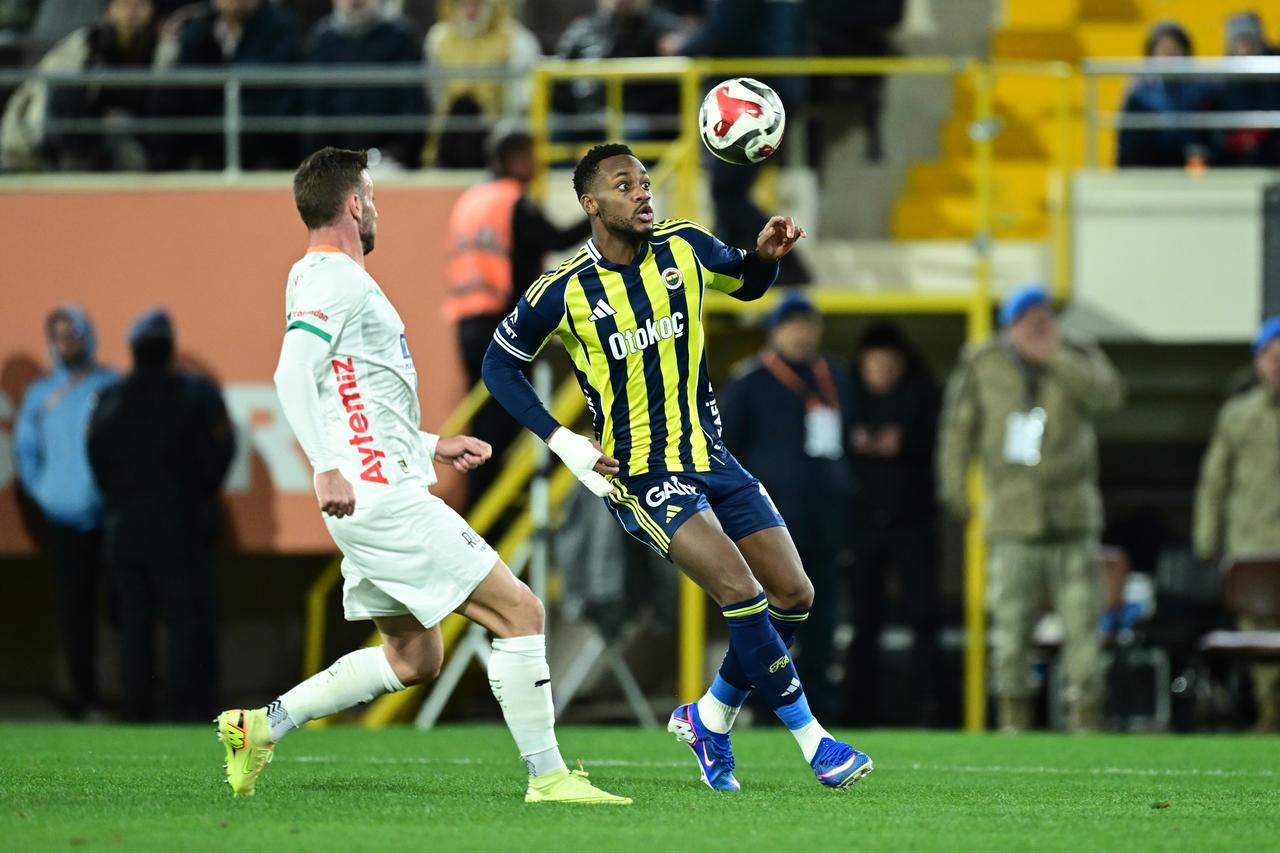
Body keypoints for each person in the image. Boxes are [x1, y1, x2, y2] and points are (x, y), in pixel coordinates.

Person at [214, 146, 627, 805]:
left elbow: (349, 394)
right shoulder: (334, 279)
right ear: (352, 204)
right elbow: (292, 373)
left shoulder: (317, 276)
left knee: (414, 657)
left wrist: (433, 444)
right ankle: (549, 777)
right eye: (371, 196)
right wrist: (324, 467)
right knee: (519, 610)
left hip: (375, 485)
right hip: (382, 498)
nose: (376, 207)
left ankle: (262, 725)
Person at [482, 143, 872, 790]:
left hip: (712, 458)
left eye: (643, 181)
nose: (642, 192)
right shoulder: (564, 289)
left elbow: (745, 281)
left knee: (794, 596)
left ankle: (709, 714)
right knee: (739, 589)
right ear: (590, 204)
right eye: (623, 183)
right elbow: (499, 363)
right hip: (640, 473)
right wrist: (563, 440)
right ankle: (816, 741)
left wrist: (766, 259)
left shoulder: (684, 245)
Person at [937, 285, 1124, 732]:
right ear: (1010, 326)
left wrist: (1054, 357)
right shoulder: (983, 361)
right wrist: (956, 494)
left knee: (1083, 630)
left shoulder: (1077, 352)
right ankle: (1013, 723)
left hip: (1072, 519)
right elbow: (958, 433)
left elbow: (1109, 397)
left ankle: (1087, 721)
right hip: (1011, 519)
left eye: (1044, 316)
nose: (1038, 325)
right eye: (1028, 319)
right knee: (1012, 629)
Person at [86, 309, 235, 722]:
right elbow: (220, 456)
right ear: (170, 347)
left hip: (127, 529)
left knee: (134, 626)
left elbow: (97, 460)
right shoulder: (198, 396)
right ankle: (182, 710)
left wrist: (123, 501)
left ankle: (138, 709)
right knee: (185, 623)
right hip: (182, 528)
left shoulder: (110, 400)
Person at [716, 291, 855, 722]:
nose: (801, 333)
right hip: (768, 526)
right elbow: (723, 452)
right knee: (768, 619)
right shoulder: (749, 382)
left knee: (824, 619)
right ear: (774, 330)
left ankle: (818, 707)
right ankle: (758, 705)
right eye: (792, 324)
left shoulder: (835, 376)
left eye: (808, 324)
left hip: (826, 523)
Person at [444, 130, 590, 504]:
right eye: (530, 154)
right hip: (500, 325)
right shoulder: (512, 202)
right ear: (514, 159)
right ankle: (485, 506)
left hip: (466, 322)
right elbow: (554, 238)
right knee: (505, 420)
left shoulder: (472, 199)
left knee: (489, 419)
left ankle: (485, 504)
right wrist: (598, 210)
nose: (537, 162)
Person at [659, 0, 811, 285]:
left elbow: (724, 30)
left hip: (755, 98)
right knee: (728, 187)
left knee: (727, 190)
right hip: (774, 90)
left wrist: (681, 45)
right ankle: (723, 269)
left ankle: (791, 266)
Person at [13, 307, 117, 719]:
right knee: (76, 612)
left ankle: (136, 692)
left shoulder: (111, 386)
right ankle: (85, 698)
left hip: (111, 518)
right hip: (64, 524)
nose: (68, 341)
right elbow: (26, 451)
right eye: (60, 335)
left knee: (126, 610)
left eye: (74, 333)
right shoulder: (41, 394)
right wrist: (47, 494)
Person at [846, 321, 941, 727]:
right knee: (863, 620)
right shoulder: (845, 398)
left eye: (888, 366)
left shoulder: (927, 396)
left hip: (914, 523)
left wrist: (904, 444)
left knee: (923, 615)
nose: (881, 374)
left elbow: (942, 444)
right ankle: (856, 712)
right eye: (874, 367)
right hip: (862, 525)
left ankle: (930, 708)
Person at [1193, 316, 1280, 733]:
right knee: (1258, 630)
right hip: (1253, 540)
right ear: (1257, 362)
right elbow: (1215, 480)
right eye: (1269, 355)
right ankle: (1270, 711)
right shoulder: (1237, 415)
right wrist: (1206, 537)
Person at [0, 0, 157, 172]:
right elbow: (44, 92)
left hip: (136, 131)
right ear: (109, 10)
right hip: (81, 131)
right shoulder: (85, 42)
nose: (132, 14)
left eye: (140, 6)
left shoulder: (161, 43)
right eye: (124, 6)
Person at [151, 0, 304, 170]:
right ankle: (160, 172)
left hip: (263, 123)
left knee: (243, 112)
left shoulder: (282, 25)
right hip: (210, 120)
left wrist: (224, 75)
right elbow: (186, 71)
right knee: (169, 100)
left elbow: (276, 77)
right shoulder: (201, 24)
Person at [304, 0, 426, 168]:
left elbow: (411, 102)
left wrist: (401, 151)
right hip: (334, 162)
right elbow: (315, 105)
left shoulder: (401, 36)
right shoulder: (323, 38)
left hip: (391, 161)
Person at [423, 0, 540, 168]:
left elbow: (520, 99)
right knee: (462, 107)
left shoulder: (515, 39)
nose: (470, 10)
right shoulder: (438, 39)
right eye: (464, 4)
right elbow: (436, 94)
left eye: (477, 4)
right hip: (450, 136)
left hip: (494, 131)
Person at [554, 0, 681, 140]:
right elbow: (558, 81)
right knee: (551, 128)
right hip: (587, 115)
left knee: (628, 132)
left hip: (640, 115)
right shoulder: (581, 30)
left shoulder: (664, 30)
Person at [1116, 21, 1211, 168]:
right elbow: (1128, 144)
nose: (1169, 58)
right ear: (1151, 55)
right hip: (1150, 168)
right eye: (1163, 51)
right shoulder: (1138, 92)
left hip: (1189, 166)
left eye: (1174, 51)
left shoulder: (1200, 90)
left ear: (1185, 54)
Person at [1208, 12, 1280, 167]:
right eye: (1238, 43)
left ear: (1259, 43)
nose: (1244, 50)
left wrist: (1258, 133)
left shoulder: (1274, 68)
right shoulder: (1223, 76)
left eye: (1249, 42)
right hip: (1237, 144)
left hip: (1270, 140)